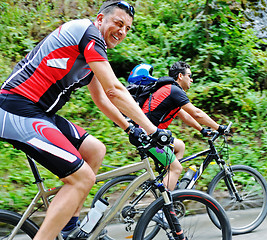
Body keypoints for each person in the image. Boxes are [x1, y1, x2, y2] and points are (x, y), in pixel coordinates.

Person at [0, 1, 170, 240]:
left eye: (127, 28)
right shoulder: (89, 34)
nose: (122, 31)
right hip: (16, 109)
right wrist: (153, 130)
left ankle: (70, 228)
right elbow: (114, 90)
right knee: (83, 178)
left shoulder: (91, 50)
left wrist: (130, 128)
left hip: (39, 112)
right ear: (100, 19)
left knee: (95, 150)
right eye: (118, 23)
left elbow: (102, 99)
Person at [128, 61, 227, 191]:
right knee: (176, 168)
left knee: (180, 146)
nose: (191, 80)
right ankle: (163, 206)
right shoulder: (173, 90)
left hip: (148, 134)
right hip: (148, 136)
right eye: (190, 76)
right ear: (180, 76)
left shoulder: (169, 90)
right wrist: (218, 127)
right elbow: (196, 113)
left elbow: (185, 115)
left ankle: (169, 182)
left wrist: (202, 130)